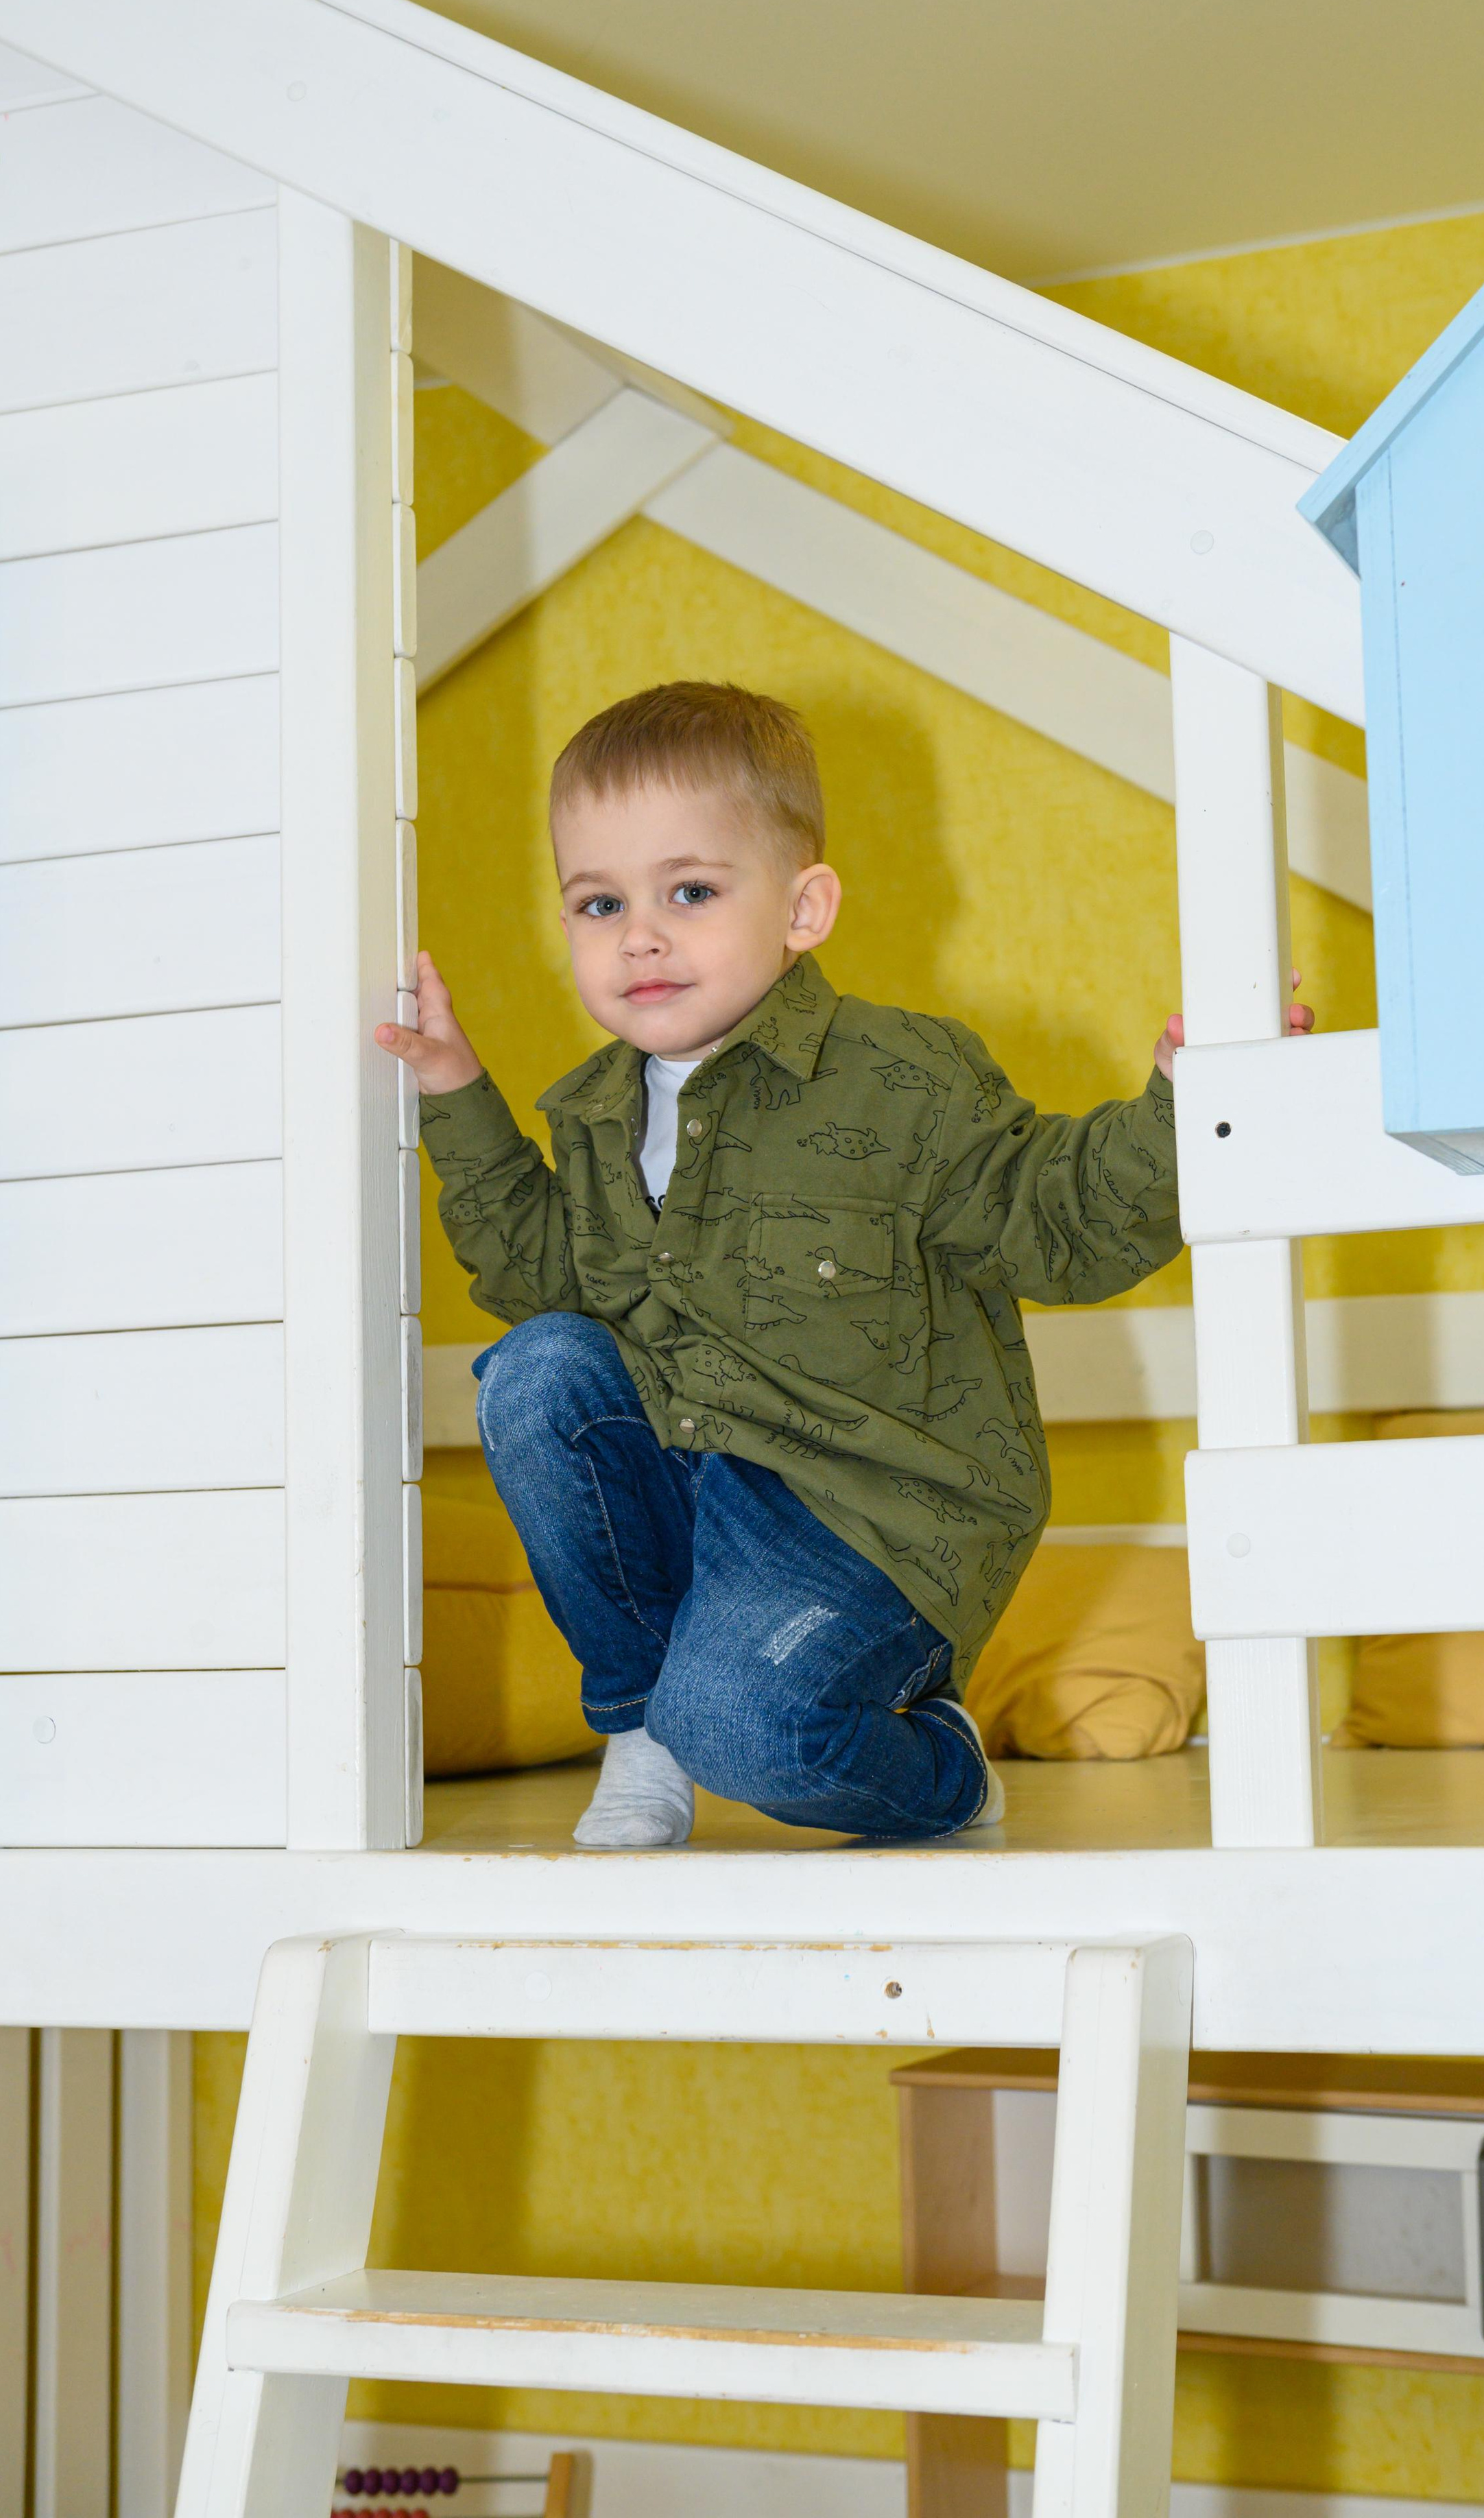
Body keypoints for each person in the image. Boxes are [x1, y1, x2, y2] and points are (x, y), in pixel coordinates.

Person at [376, 681, 1311, 1848]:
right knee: (539, 1370)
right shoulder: (596, 1115)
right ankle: (640, 1721)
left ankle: (943, 1770)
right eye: (598, 902)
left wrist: (1184, 1104)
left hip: (870, 1515)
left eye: (692, 892)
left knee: (750, 1731)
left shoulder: (903, 1079)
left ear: (803, 907)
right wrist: (458, 1093)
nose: (640, 935)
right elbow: (535, 1280)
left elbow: (1056, 1218)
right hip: (694, 1481)